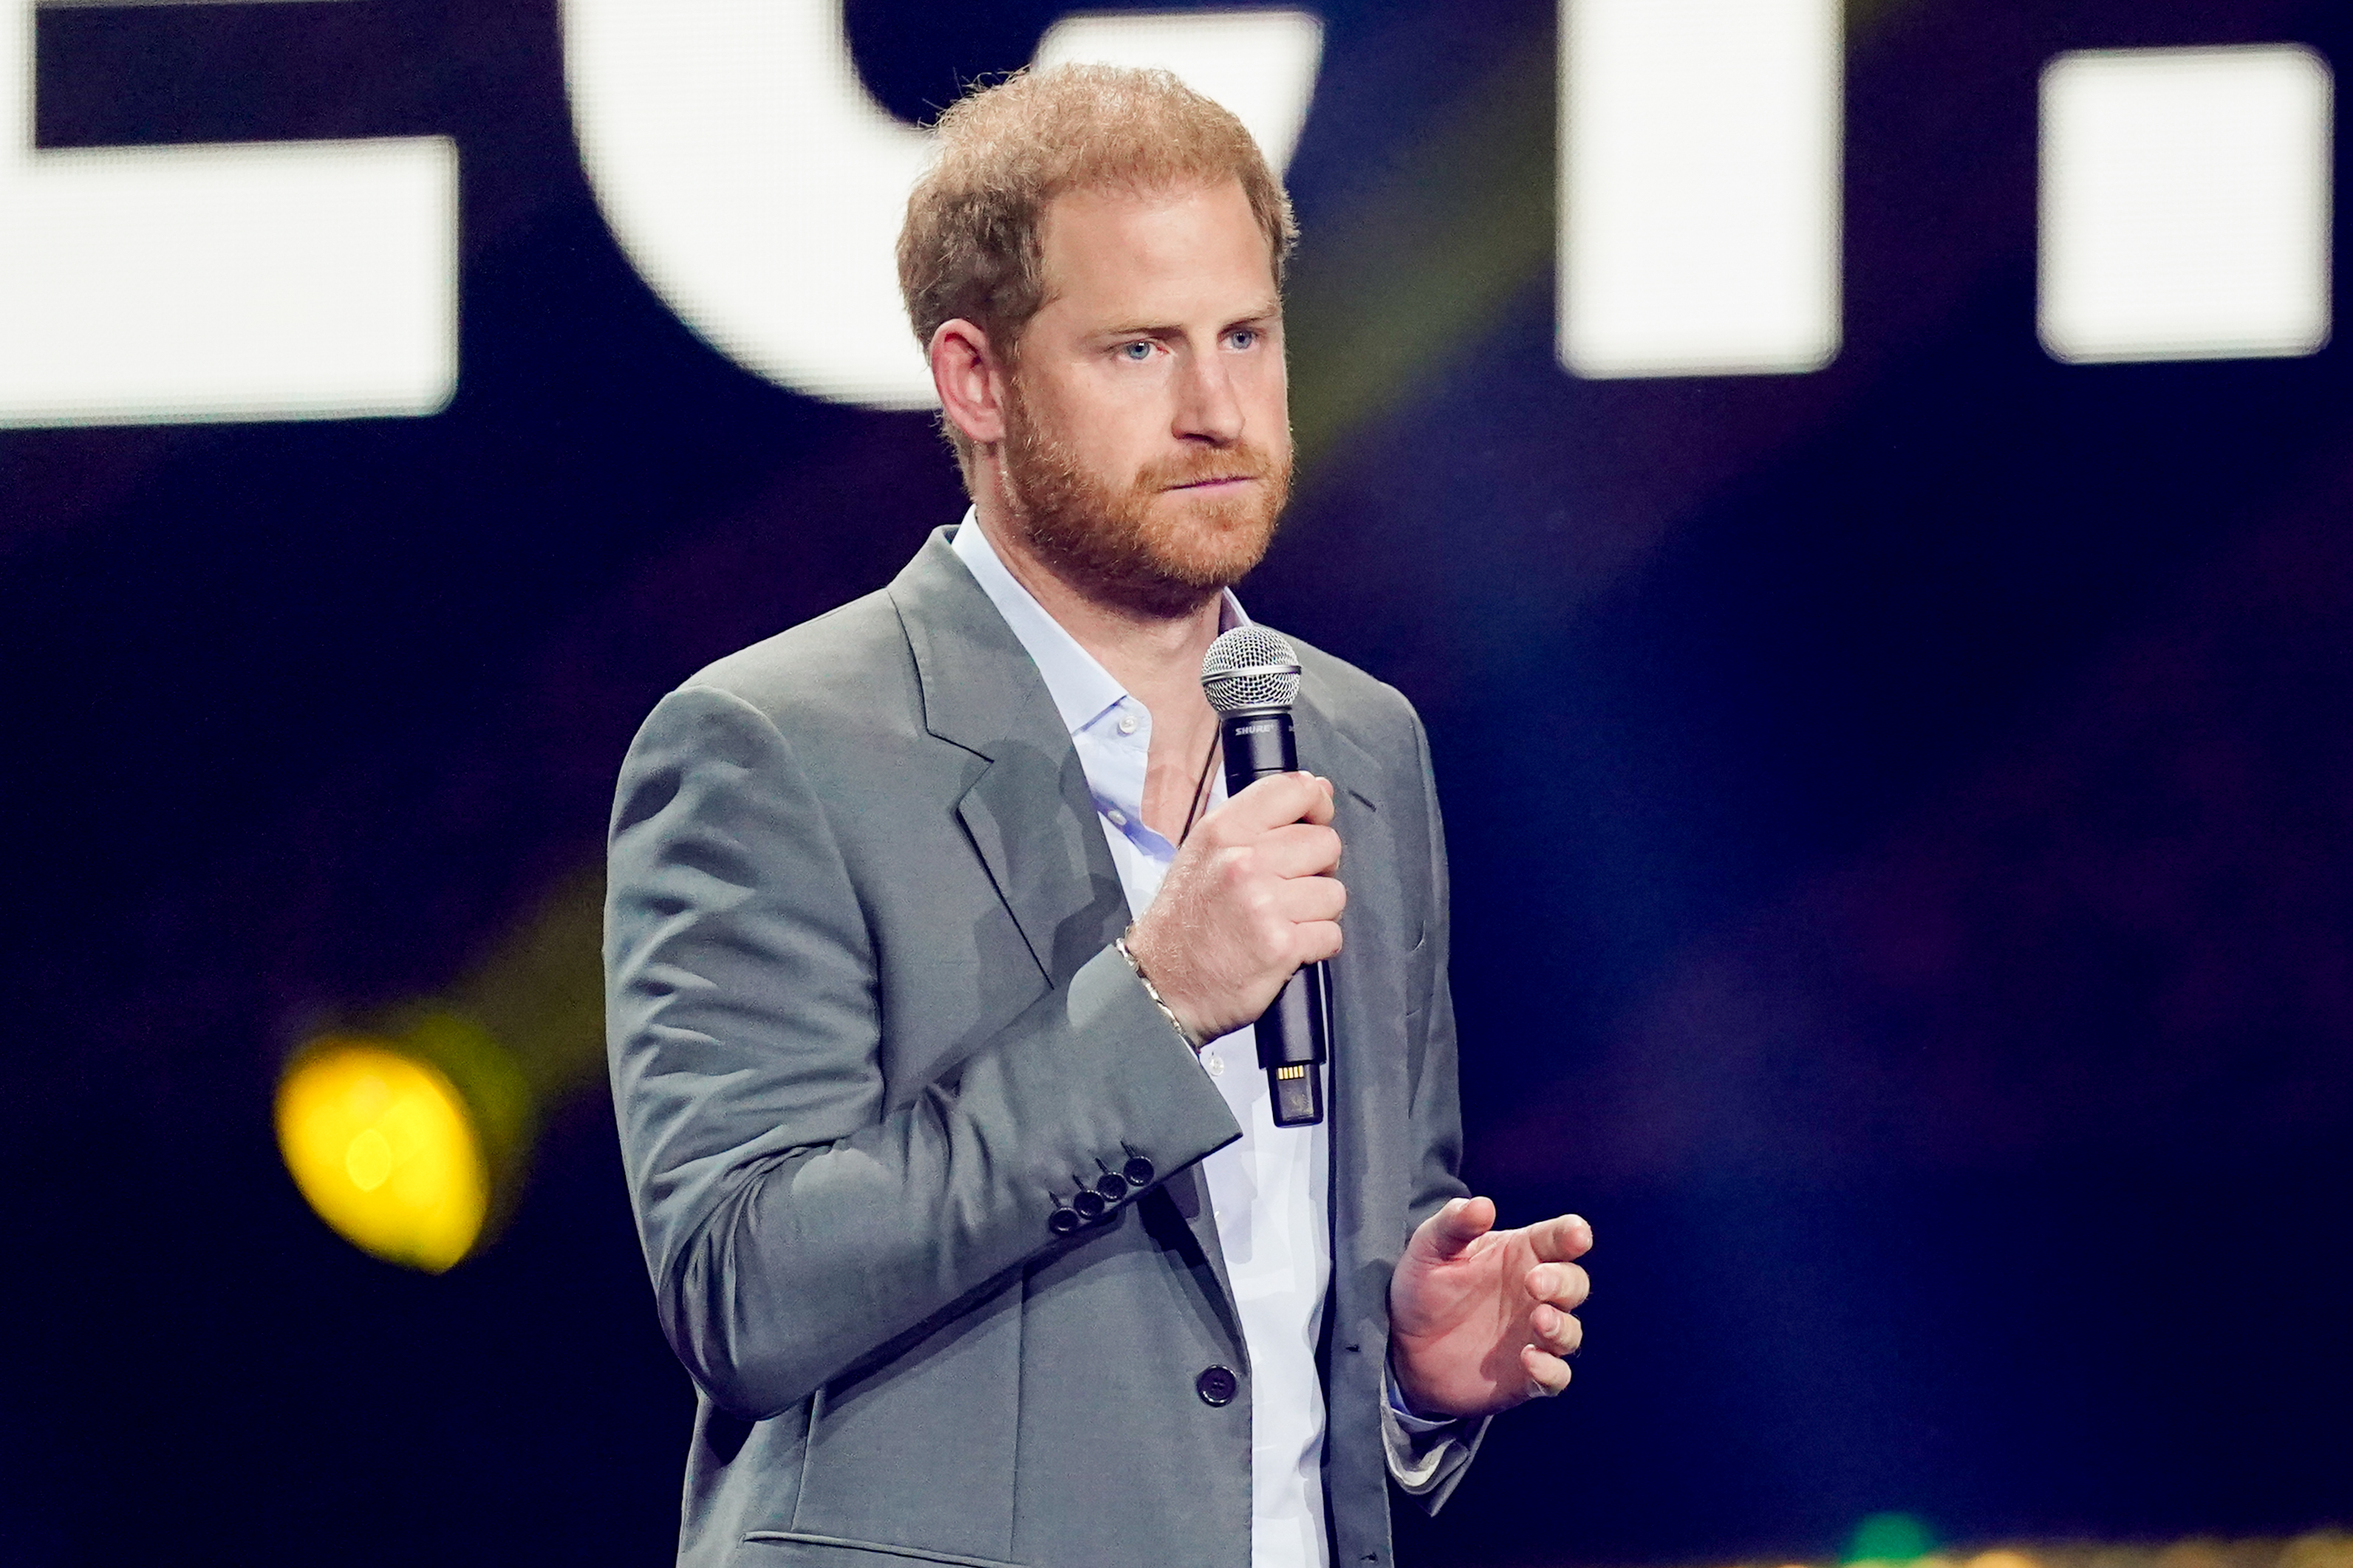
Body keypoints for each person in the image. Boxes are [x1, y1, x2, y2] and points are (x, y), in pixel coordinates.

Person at [604, 64, 1593, 1568]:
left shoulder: (1355, 743)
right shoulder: (768, 746)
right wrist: (1153, 1003)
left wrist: (1408, 1365)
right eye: (1138, 348)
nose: (1215, 411)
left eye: (1245, 337)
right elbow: (747, 1293)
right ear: (976, 380)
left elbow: (1315, 1281)